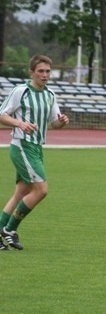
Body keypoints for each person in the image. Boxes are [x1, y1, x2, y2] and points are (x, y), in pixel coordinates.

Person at [0, 55, 70, 250]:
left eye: (48, 71)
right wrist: (20, 123)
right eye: (40, 71)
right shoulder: (20, 91)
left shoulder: (50, 95)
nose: (45, 75)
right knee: (41, 190)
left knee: (21, 192)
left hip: (37, 148)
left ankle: (0, 231)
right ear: (31, 72)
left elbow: (53, 123)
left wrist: (61, 122)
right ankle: (9, 229)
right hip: (22, 145)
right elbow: (2, 114)